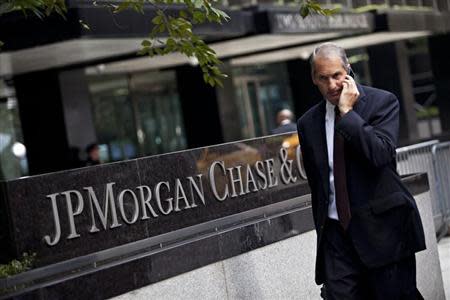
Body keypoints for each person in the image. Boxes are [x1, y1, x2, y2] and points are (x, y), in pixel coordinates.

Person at [296, 43, 426, 299]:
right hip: (336, 237)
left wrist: (346, 112)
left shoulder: (382, 102)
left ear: (348, 70)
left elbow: (381, 156)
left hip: (384, 232)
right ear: (314, 79)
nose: (332, 85)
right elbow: (319, 186)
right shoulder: (308, 124)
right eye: (323, 78)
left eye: (336, 75)